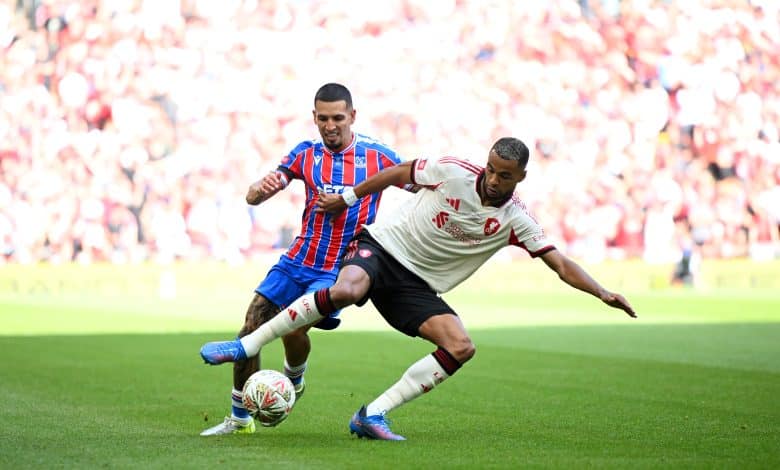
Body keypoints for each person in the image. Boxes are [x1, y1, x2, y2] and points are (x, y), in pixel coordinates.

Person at [200, 137, 637, 440]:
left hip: (416, 285)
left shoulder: (517, 220)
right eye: (491, 169)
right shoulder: (453, 171)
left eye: (504, 175)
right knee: (348, 289)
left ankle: (371, 415)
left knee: (461, 346)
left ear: (520, 177)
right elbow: (396, 172)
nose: (493, 179)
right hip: (382, 247)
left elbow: (559, 263)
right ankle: (246, 345)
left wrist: (601, 292)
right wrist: (350, 197)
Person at [200, 83, 412, 436]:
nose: (330, 126)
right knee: (249, 330)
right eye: (323, 118)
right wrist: (259, 190)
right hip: (297, 260)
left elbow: (418, 185)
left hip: (338, 269)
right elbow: (255, 194)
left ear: (352, 116)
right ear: (314, 117)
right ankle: (239, 419)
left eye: (338, 118)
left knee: (294, 324)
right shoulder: (305, 153)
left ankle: (294, 379)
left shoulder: (380, 157)